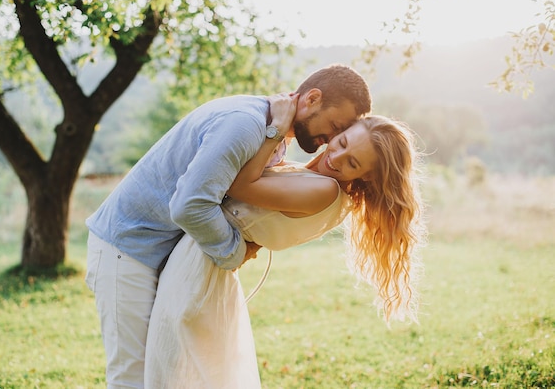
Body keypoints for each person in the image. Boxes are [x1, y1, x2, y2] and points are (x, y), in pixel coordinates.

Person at [84, 64, 372, 389]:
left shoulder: (272, 136)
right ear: (313, 98)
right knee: (132, 379)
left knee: (160, 375)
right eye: (335, 127)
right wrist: (235, 252)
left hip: (157, 254)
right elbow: (189, 204)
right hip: (127, 250)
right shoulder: (245, 124)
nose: (330, 141)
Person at [143, 110, 426, 388]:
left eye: (352, 163)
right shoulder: (311, 178)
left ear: (367, 177)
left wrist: (276, 128)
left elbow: (236, 181)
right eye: (341, 143)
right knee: (180, 370)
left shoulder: (325, 191)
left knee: (176, 373)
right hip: (202, 262)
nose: (335, 158)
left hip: (199, 270)